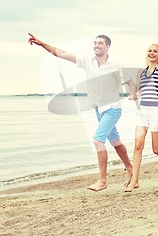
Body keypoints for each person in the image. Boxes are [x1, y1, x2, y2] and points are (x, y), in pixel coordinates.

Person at [27, 33, 133, 192]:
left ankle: (102, 180)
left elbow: (129, 80)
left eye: (100, 43)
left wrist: (134, 92)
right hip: (99, 109)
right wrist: (41, 43)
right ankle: (130, 168)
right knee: (116, 142)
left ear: (107, 47)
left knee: (98, 140)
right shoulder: (87, 61)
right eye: (95, 43)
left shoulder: (115, 66)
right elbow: (62, 54)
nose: (97, 46)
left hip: (113, 108)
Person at [124, 43, 158, 192]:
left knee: (156, 148)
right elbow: (137, 94)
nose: (152, 53)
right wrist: (130, 88)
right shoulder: (141, 72)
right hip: (142, 112)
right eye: (150, 50)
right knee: (138, 145)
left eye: (155, 51)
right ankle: (134, 180)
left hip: (156, 112)